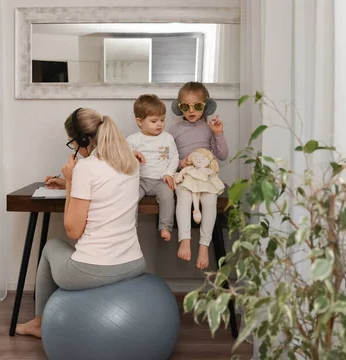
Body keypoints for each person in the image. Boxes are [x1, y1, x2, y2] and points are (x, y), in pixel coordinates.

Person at [16, 108, 146, 338]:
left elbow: (73, 230)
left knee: (50, 246)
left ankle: (38, 322)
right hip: (134, 263)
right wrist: (69, 183)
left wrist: (71, 181)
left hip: (93, 270)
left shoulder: (86, 168)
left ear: (83, 139)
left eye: (72, 143)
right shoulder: (131, 163)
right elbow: (105, 188)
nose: (74, 149)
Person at [168, 82, 229, 269]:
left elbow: (223, 155)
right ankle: (184, 239)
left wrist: (218, 134)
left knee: (210, 201)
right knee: (183, 198)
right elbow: (169, 157)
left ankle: (204, 244)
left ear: (206, 106)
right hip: (186, 175)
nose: (191, 110)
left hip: (207, 175)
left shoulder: (210, 129)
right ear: (179, 108)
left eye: (198, 106)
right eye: (186, 107)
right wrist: (180, 163)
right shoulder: (175, 130)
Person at [126, 94, 179, 241]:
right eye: (154, 121)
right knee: (130, 198)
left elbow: (174, 158)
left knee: (168, 197)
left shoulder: (167, 138)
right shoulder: (133, 139)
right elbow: (121, 156)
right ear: (140, 122)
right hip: (140, 180)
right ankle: (131, 228)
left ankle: (165, 227)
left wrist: (169, 174)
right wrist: (132, 153)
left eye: (162, 119)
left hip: (160, 180)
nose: (160, 124)